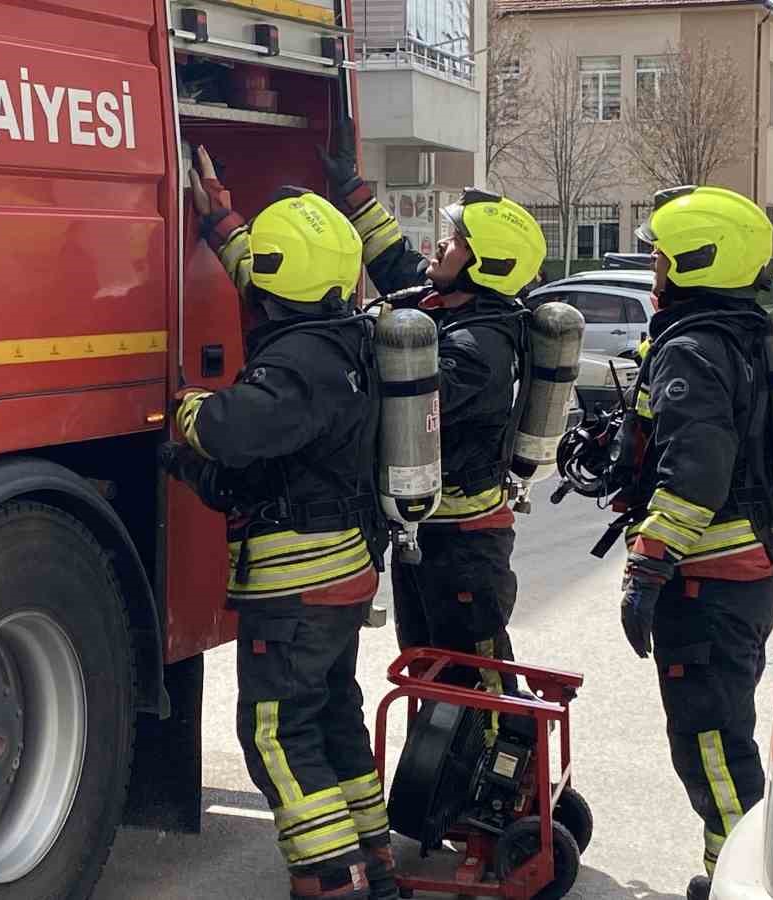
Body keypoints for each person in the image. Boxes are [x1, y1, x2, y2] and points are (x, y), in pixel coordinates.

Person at [163, 148, 396, 900]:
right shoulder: (344, 336)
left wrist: (181, 409)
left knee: (274, 732)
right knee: (330, 716)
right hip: (342, 574)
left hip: (297, 584)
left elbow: (231, 430)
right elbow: (269, 274)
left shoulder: (294, 367)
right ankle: (374, 856)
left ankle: (330, 878)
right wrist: (225, 218)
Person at [316, 121, 546, 691]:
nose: (440, 246)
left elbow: (406, 395)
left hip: (466, 546)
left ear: (485, 263)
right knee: (427, 675)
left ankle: (506, 780)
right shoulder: (450, 306)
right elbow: (393, 259)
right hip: (431, 537)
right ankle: (444, 778)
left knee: (480, 686)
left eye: (456, 240)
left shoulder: (481, 348)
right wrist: (352, 189)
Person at [618, 186, 773, 900]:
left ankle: (738, 881)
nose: (652, 271)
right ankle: (736, 871)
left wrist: (647, 568)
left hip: (708, 580)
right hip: (748, 570)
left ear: (694, 263)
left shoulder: (691, 348)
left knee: (713, 745)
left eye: (659, 258)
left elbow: (696, 476)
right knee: (726, 733)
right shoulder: (743, 333)